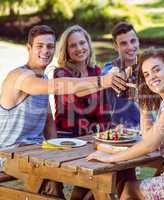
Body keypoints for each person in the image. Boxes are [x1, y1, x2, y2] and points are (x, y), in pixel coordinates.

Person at [0, 25, 126, 198]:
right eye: (40, 46)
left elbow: (48, 120)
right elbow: (60, 86)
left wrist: (57, 148)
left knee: (97, 170)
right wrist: (103, 80)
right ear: (29, 48)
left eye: (50, 46)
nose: (45, 51)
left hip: (37, 151)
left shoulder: (43, 77)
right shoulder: (19, 76)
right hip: (8, 155)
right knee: (51, 180)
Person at [87, 48, 164, 200]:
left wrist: (109, 158)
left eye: (156, 70)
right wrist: (143, 106)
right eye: (146, 74)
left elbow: (150, 145)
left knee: (129, 189)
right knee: (129, 185)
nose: (151, 77)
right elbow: (148, 137)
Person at [54, 25, 111, 137]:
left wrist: (109, 134)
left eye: (82, 43)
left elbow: (103, 109)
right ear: (66, 50)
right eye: (73, 45)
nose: (79, 48)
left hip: (91, 135)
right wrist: (105, 81)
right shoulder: (60, 73)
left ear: (88, 45)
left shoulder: (96, 71)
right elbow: (77, 92)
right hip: (66, 136)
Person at [101, 21, 140, 128]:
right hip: (121, 133)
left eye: (133, 41)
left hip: (150, 130)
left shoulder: (148, 66)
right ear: (115, 46)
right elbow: (111, 75)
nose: (130, 47)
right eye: (124, 43)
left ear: (138, 41)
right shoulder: (109, 69)